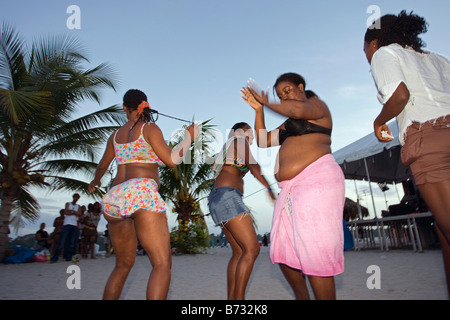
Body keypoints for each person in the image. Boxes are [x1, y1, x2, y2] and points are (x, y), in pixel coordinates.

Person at [364, 10, 450, 297]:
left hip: (429, 138)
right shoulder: (436, 58)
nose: (366, 56)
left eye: (365, 49)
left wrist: (378, 122)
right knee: (443, 229)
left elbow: (400, 96)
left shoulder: (384, 55)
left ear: (374, 42)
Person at [241, 72, 345, 300]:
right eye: (279, 95)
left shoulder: (317, 106)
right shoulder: (290, 122)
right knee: (282, 251)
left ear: (301, 86)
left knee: (315, 252)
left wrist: (267, 101)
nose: (284, 97)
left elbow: (294, 110)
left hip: (317, 178)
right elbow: (262, 140)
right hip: (289, 189)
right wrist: (259, 110)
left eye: (287, 91)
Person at [88, 89, 198, 300]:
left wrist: (95, 181)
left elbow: (103, 165)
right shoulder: (149, 128)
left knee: (122, 266)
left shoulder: (115, 136)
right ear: (145, 105)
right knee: (162, 264)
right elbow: (171, 160)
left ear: (124, 108)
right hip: (140, 191)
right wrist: (189, 138)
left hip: (114, 198)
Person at [209, 122, 276, 300]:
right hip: (227, 196)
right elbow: (254, 166)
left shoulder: (229, 147)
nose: (251, 137)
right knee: (252, 249)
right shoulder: (239, 141)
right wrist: (269, 189)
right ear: (240, 131)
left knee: (239, 252)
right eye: (250, 132)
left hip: (218, 199)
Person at [51, 193, 82, 262]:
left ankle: (68, 256)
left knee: (72, 242)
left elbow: (79, 214)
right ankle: (55, 257)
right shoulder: (68, 204)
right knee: (62, 241)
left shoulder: (78, 206)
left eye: (77, 198)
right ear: (73, 197)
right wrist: (74, 213)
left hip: (74, 224)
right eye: (75, 197)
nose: (76, 199)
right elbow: (66, 212)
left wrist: (72, 211)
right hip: (67, 224)